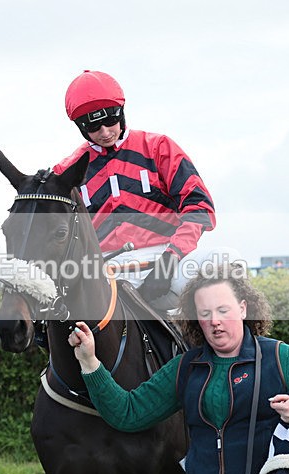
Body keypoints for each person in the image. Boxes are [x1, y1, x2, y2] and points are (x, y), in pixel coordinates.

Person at [68, 263, 289, 474]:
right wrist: (90, 362)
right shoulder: (186, 368)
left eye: (223, 310)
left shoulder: (282, 358)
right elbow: (128, 413)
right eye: (205, 313)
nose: (214, 321)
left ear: (243, 308)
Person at [53, 70, 235, 311]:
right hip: (104, 271)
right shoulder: (66, 171)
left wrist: (170, 258)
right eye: (94, 127)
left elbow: (200, 208)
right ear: (80, 127)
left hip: (167, 259)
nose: (105, 132)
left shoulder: (159, 147)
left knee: (229, 260)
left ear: (121, 112)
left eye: (110, 121)